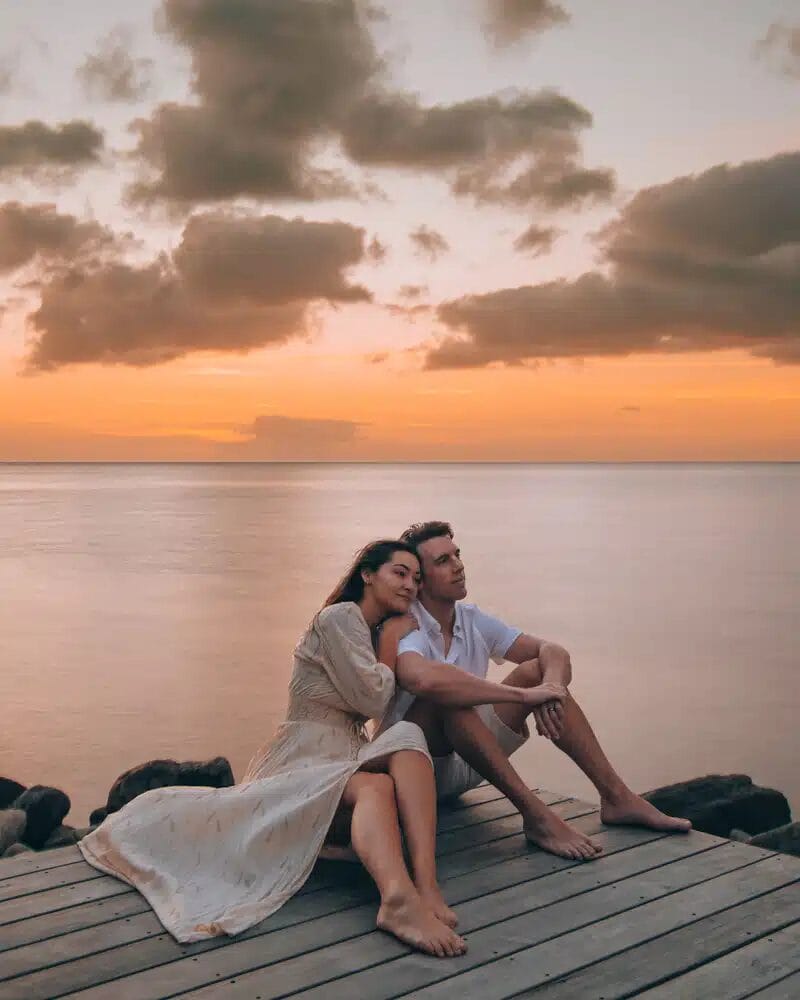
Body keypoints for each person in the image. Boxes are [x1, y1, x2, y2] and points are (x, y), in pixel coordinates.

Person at [77, 539, 562, 954]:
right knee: (374, 783)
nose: (410, 586)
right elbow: (372, 696)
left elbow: (380, 703)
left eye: (417, 578)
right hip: (303, 755)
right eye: (399, 573)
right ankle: (399, 899)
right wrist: (394, 638)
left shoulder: (367, 632)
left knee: (405, 741)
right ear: (367, 575)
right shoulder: (338, 619)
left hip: (344, 754)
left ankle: (425, 886)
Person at [374, 521, 691, 863]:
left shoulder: (472, 619)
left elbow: (552, 650)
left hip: (467, 764)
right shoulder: (407, 626)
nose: (458, 565)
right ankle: (537, 816)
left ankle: (616, 797)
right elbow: (424, 681)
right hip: (412, 773)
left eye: (457, 554)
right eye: (443, 561)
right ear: (419, 582)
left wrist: (550, 688)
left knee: (536, 670)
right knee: (449, 699)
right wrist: (524, 698)